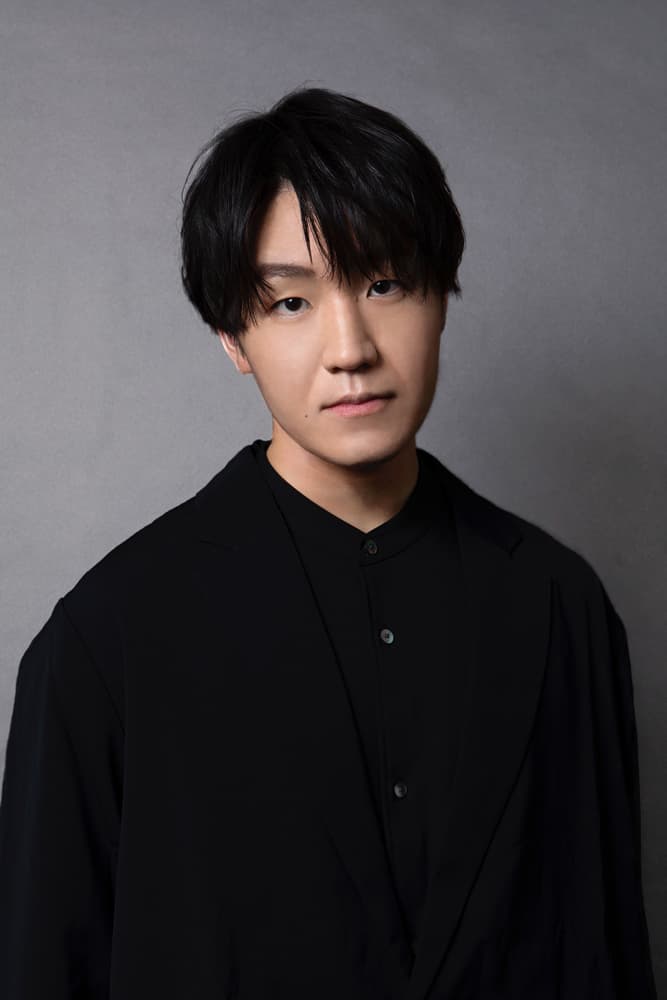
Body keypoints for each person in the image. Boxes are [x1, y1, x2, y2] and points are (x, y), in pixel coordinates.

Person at [0, 85, 657, 999]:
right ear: (231, 335)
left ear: (440, 295)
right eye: (289, 303)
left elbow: (606, 951)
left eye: (384, 284)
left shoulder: (557, 604)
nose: (350, 348)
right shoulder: (108, 637)